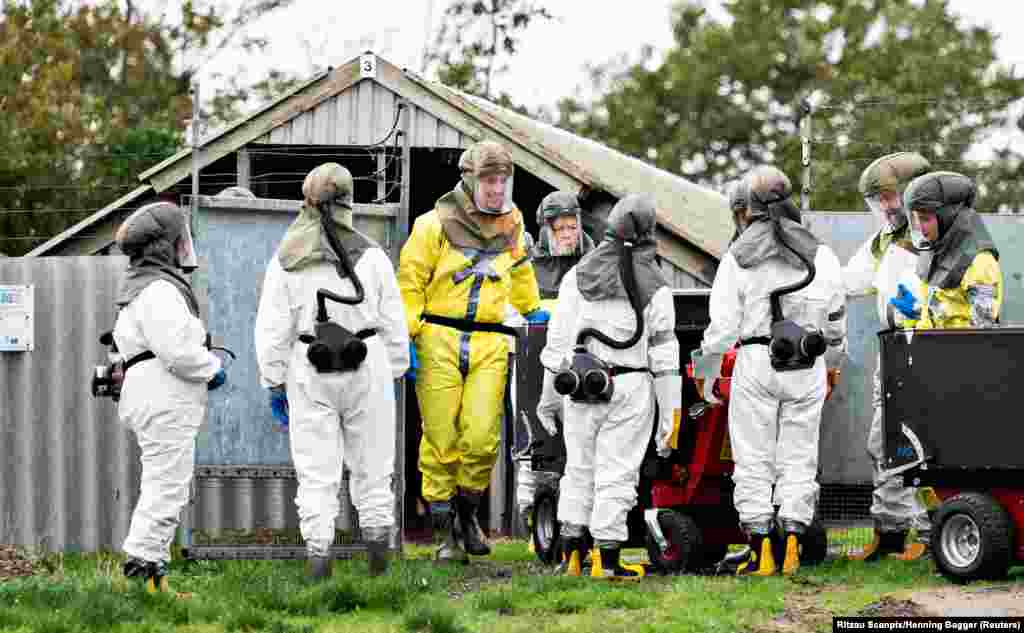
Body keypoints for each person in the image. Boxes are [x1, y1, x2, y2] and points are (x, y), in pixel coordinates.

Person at [254, 163, 409, 579]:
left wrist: (272, 380)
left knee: (316, 470)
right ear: (349, 203)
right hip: (367, 361)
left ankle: (319, 562)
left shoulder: (286, 260)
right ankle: (379, 563)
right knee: (374, 466)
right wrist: (394, 369)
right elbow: (394, 321)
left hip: (310, 367)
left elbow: (271, 327)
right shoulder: (373, 256)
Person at [398, 139, 548, 563]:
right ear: (469, 180)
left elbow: (520, 271)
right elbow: (410, 281)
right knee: (441, 437)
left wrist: (532, 311)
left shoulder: (513, 225)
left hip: (490, 337)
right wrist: (408, 334)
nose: (497, 189)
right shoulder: (433, 225)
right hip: (438, 336)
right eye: (488, 180)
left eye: (503, 181)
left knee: (482, 439)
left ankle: (467, 516)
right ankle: (446, 534)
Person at [693, 166, 847, 576]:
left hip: (757, 362)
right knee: (799, 458)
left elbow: (721, 328)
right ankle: (793, 543)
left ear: (750, 208)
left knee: (753, 458)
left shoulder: (739, 257)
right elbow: (835, 324)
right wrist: (831, 366)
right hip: (807, 365)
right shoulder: (822, 253)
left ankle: (761, 548)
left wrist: (704, 373)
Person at [536, 193, 680, 580]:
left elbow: (558, 348)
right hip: (631, 387)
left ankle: (570, 556)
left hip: (581, 385)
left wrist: (548, 400)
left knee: (578, 469)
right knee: (616, 473)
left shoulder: (576, 276)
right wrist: (672, 416)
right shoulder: (657, 286)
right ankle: (607, 560)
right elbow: (665, 359)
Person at [113, 201, 226, 592]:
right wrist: (212, 368)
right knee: (166, 487)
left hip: (152, 393)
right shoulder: (159, 289)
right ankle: (142, 574)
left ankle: (150, 576)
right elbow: (177, 350)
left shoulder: (141, 288)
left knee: (164, 484)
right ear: (163, 245)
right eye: (178, 239)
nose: (183, 246)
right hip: (163, 396)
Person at [843, 152, 933, 562]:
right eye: (878, 200)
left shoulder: (934, 237)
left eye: (889, 197)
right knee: (883, 443)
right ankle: (891, 532)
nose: (884, 207)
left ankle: (928, 533)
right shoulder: (885, 238)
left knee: (920, 443)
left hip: (924, 348)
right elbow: (850, 280)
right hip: (892, 347)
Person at [891, 170, 1002, 331]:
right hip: (935, 351)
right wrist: (917, 311)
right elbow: (944, 312)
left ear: (947, 216)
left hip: (961, 353)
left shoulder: (980, 263)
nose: (920, 227)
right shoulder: (934, 251)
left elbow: (983, 333)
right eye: (915, 218)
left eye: (925, 219)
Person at [531, 190, 596, 309]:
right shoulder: (531, 263)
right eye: (559, 228)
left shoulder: (591, 258)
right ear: (545, 230)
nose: (567, 235)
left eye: (572, 227)